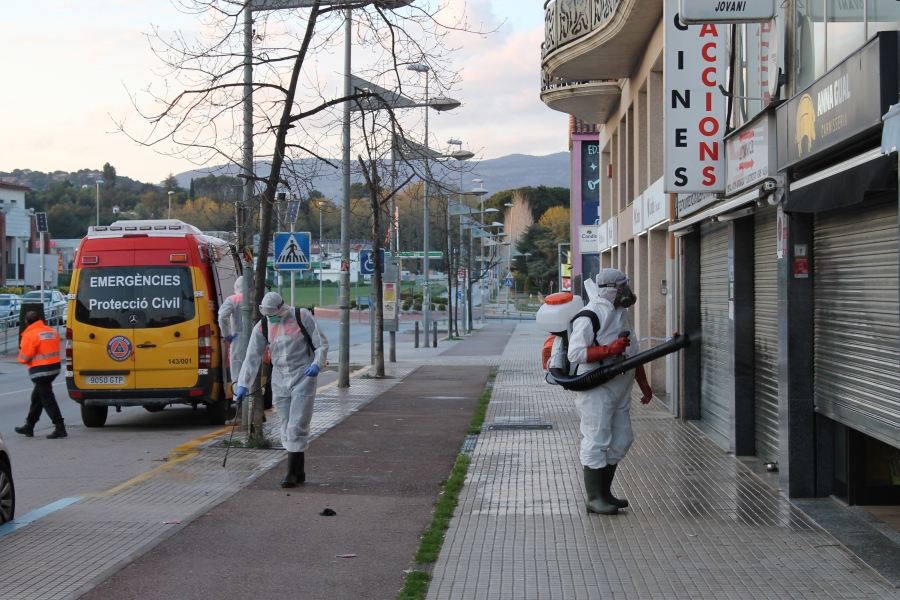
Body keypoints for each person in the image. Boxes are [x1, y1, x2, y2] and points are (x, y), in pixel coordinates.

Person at [567, 268, 652, 515]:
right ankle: (594, 498)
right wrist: (610, 349)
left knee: (622, 439)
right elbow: (576, 354)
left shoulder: (620, 313)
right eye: (622, 286)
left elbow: (633, 352)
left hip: (620, 388)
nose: (626, 290)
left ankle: (605, 493)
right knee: (596, 440)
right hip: (598, 389)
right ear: (610, 289)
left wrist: (643, 383)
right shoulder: (590, 315)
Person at [235, 292, 328, 488]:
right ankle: (299, 470)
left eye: (273, 314)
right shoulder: (263, 326)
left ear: (281, 308)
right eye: (267, 314)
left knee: (297, 423)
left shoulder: (301, 317)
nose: (271, 318)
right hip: (279, 378)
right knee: (286, 424)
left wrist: (317, 364)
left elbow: (321, 344)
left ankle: (290, 474)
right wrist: (243, 384)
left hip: (304, 375)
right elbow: (252, 357)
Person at [14, 311, 66, 439]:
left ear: (26, 323)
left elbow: (24, 358)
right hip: (54, 368)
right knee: (37, 397)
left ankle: (60, 426)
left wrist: (20, 357)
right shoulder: (51, 331)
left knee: (47, 399)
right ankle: (29, 426)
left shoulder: (30, 335)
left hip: (41, 371)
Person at [218, 276, 245, 397]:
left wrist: (227, 334)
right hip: (256, 338)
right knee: (253, 368)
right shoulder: (257, 298)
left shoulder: (233, 299)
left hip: (238, 338)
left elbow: (222, 316)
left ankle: (239, 399)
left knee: (238, 369)